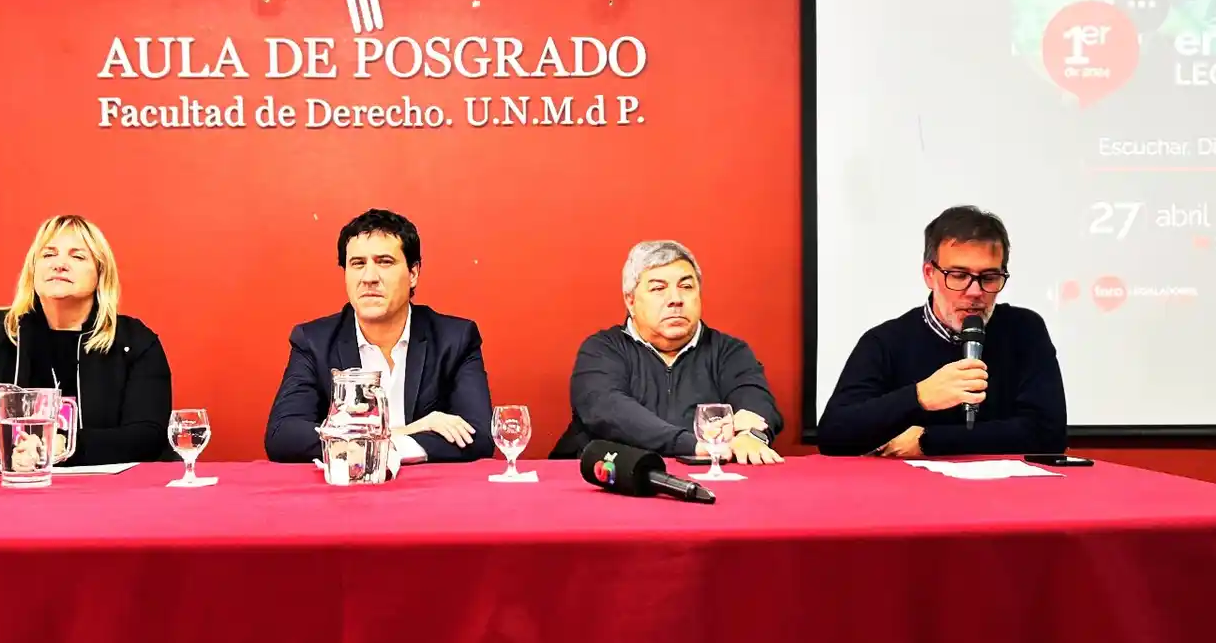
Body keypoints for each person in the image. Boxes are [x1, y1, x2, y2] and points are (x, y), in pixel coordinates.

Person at [816, 205, 1068, 457]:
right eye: (958, 275)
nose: (975, 292)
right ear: (929, 274)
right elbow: (833, 435)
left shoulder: (1025, 330)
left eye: (989, 277)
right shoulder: (885, 341)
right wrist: (920, 396)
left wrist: (929, 441)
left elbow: (1048, 435)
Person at [264, 208, 493, 464]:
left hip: (428, 487)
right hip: (348, 487)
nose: (369, 278)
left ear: (413, 273)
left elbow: (479, 436)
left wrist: (358, 444)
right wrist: (406, 432)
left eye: (384, 262)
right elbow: (283, 435)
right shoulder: (314, 341)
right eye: (358, 264)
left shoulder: (455, 339)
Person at [0, 214, 174, 466]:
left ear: (101, 273)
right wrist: (5, 449)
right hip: (14, 484)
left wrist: (65, 445)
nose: (59, 265)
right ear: (33, 269)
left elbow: (147, 435)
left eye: (77, 257)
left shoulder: (134, 342)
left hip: (107, 488)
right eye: (48, 254)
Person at [549, 240, 784, 464]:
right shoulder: (601, 350)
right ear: (630, 301)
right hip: (612, 477)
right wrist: (697, 444)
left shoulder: (729, 351)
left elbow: (757, 405)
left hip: (703, 481)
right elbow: (610, 412)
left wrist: (748, 436)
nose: (675, 299)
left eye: (686, 287)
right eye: (658, 288)